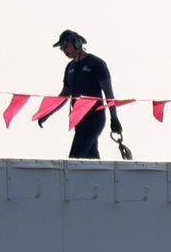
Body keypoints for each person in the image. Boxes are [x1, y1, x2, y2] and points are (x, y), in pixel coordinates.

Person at [41, 30, 122, 159]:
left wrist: (114, 118)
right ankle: (100, 179)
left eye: (66, 47)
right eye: (62, 48)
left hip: (94, 119)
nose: (64, 51)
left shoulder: (97, 64)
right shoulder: (70, 68)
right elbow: (64, 95)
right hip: (78, 120)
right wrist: (47, 113)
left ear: (77, 43)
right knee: (91, 160)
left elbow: (109, 94)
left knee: (75, 158)